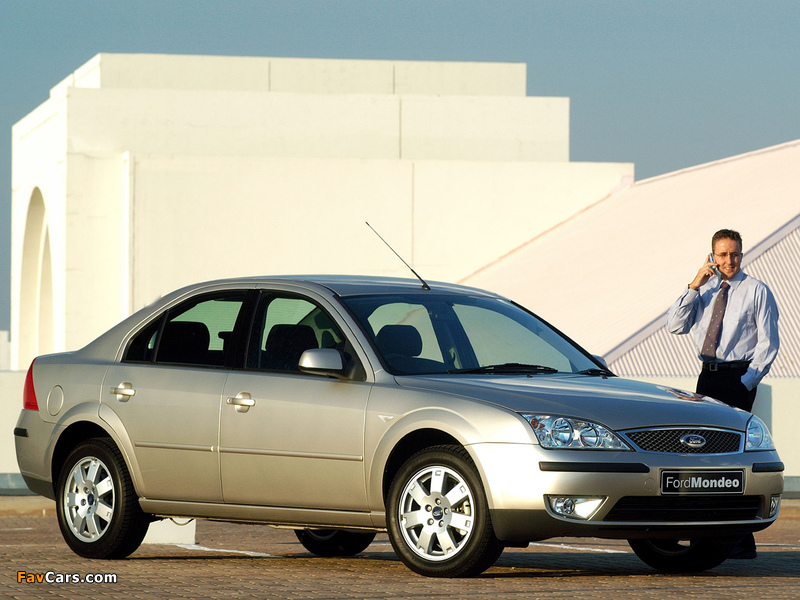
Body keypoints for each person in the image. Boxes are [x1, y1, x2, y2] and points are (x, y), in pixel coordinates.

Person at [666, 228, 779, 560]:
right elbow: (675, 326)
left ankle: (740, 539)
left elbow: (769, 343)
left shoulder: (757, 290)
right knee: (699, 455)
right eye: (723, 254)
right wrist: (694, 285)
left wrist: (746, 383)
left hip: (736, 379)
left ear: (742, 254)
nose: (729, 260)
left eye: (735, 254)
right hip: (707, 379)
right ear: (712, 256)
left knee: (733, 459)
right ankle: (703, 533)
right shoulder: (703, 290)